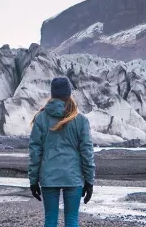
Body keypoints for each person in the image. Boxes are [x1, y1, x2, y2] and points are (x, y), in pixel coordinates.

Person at [28, 77, 96, 227]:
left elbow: (35, 152)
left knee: (50, 219)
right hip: (73, 177)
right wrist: (89, 181)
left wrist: (33, 180)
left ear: (52, 94)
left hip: (48, 176)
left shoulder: (41, 119)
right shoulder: (80, 120)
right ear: (69, 94)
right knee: (72, 220)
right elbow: (87, 152)